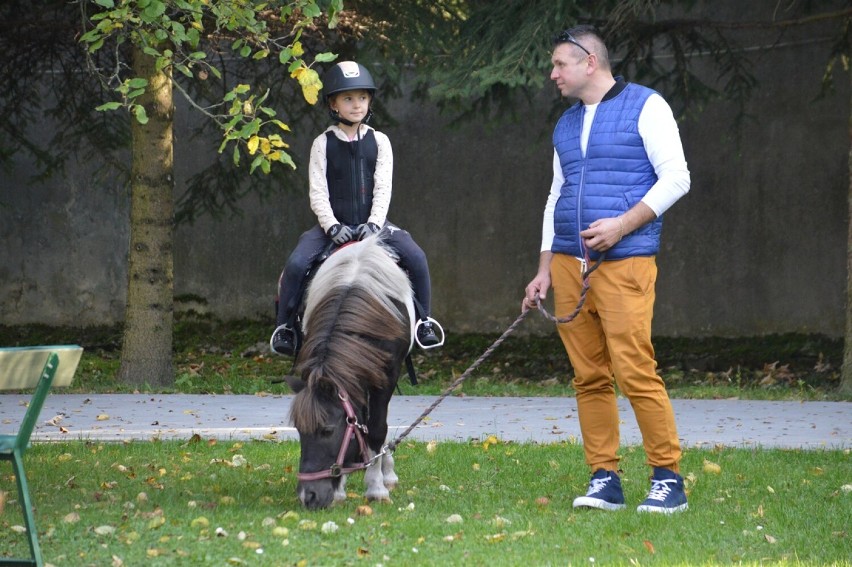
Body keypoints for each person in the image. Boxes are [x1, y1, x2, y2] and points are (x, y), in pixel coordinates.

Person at [523, 26, 691, 514]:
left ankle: (667, 479)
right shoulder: (565, 124)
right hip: (567, 266)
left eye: (560, 65)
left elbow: (677, 178)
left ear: (590, 61)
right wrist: (543, 270)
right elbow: (556, 196)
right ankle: (605, 478)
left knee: (635, 369)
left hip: (626, 261)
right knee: (588, 376)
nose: (553, 74)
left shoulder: (646, 105)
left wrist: (621, 225)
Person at [270, 60, 443, 357]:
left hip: (373, 225)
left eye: (362, 97)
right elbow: (318, 191)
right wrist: (331, 226)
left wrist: (374, 224)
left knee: (416, 256)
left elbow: (383, 187)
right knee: (297, 265)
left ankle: (424, 321)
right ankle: (285, 327)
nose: (357, 104)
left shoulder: (380, 141)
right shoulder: (322, 144)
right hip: (331, 229)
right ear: (333, 104)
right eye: (348, 98)